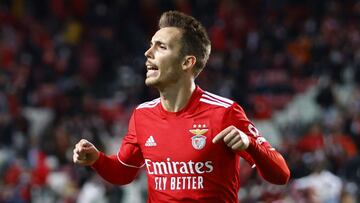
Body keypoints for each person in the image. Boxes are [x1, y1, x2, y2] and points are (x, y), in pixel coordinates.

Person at [73, 10, 290, 202]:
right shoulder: (142, 115)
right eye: (150, 45)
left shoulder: (224, 112)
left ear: (187, 62)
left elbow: (281, 175)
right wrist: (97, 159)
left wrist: (249, 144)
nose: (148, 53)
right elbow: (124, 172)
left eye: (161, 47)